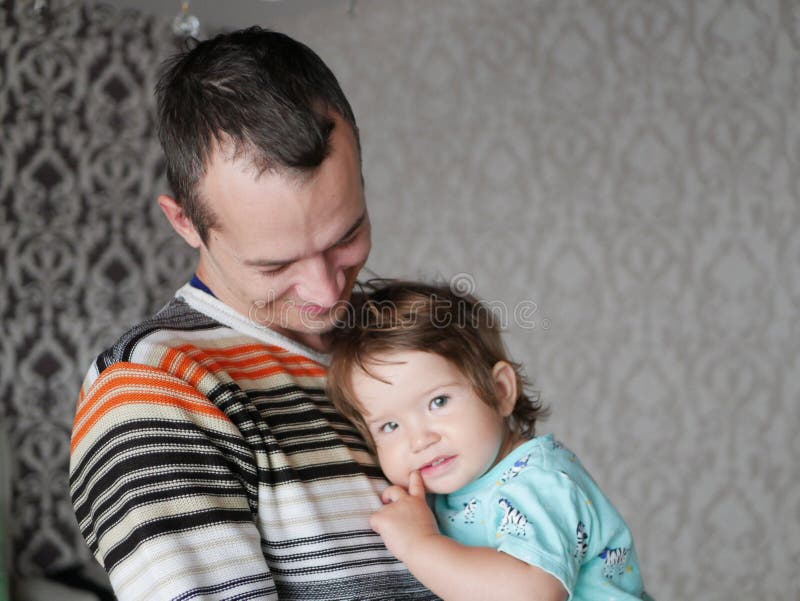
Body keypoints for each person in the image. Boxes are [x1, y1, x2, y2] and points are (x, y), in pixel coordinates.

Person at [69, 28, 435, 600]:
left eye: (348, 235)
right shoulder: (155, 391)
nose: (324, 290)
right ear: (185, 223)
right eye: (275, 265)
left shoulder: (401, 336)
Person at [327, 280, 652, 601]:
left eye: (438, 402)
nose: (420, 439)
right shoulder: (450, 489)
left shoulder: (538, 481)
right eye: (390, 425)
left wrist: (419, 543)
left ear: (500, 391)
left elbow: (529, 595)